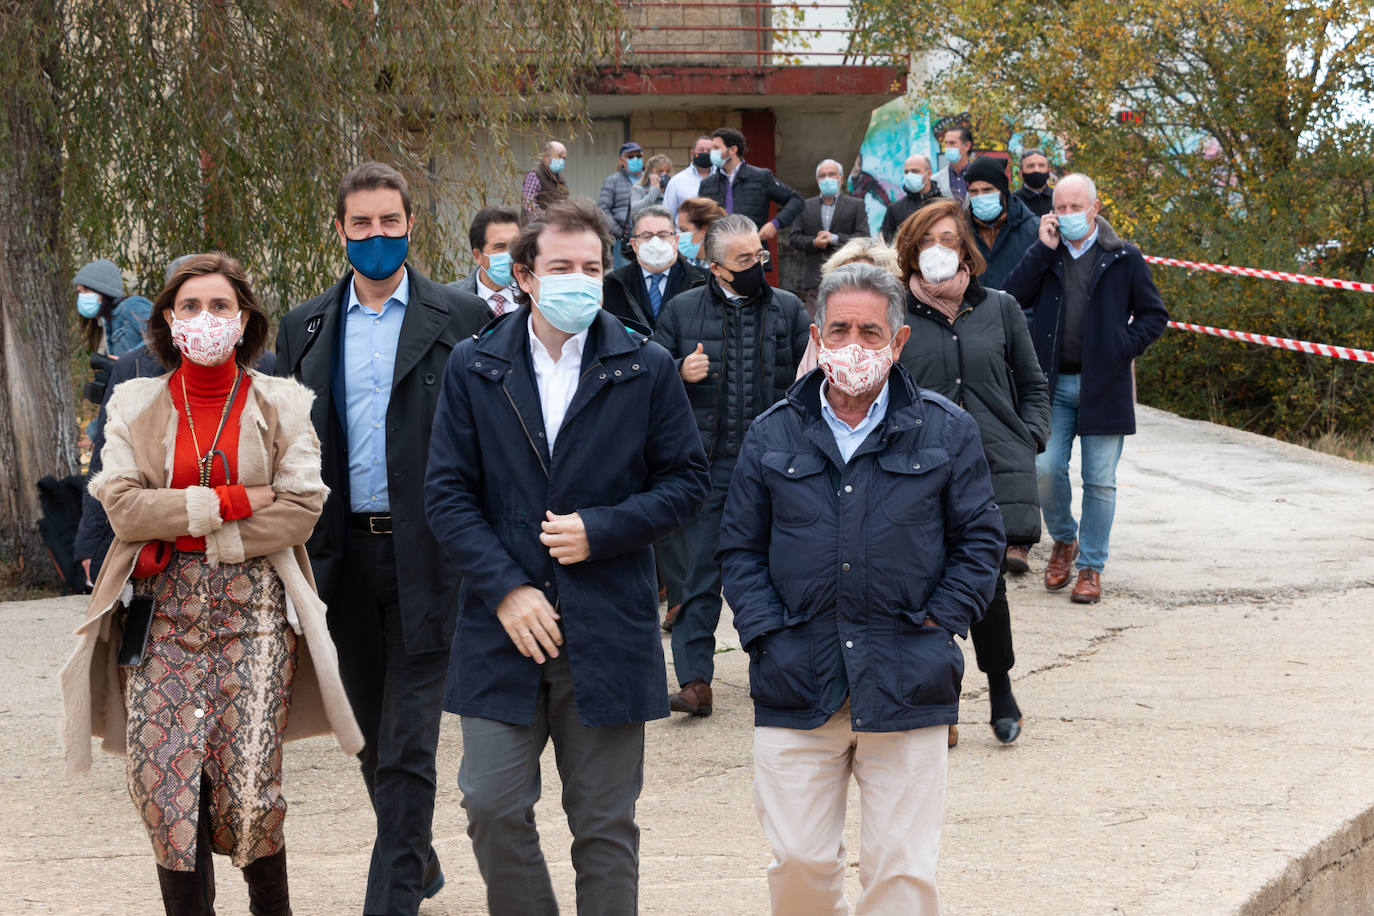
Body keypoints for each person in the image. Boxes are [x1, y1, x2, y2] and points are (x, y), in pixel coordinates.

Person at [424, 198, 710, 915]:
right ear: (524, 275)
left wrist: (603, 529)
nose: (578, 280)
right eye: (561, 267)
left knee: (605, 826)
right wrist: (506, 590)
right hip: (503, 628)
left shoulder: (643, 365)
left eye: (590, 266)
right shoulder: (475, 364)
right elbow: (446, 495)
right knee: (490, 805)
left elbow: (686, 483)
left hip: (608, 625)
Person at [60, 252, 363, 916]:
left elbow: (301, 507)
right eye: (190, 306)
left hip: (253, 619)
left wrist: (190, 526)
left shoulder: (282, 402)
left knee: (249, 791)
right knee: (164, 788)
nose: (205, 318)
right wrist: (229, 501)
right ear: (168, 320)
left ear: (244, 317)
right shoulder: (135, 401)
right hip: (162, 619)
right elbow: (122, 505)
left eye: (220, 306)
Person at [719, 262, 1004, 914]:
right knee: (798, 864)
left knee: (901, 876)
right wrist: (766, 633)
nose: (853, 346)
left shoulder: (947, 430)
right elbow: (739, 548)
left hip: (907, 676)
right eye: (839, 330)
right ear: (816, 337)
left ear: (898, 343)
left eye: (870, 333)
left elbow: (980, 543)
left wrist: (940, 621)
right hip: (797, 680)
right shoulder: (771, 434)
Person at [274, 162, 490, 914]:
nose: (375, 236)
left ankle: (390, 899)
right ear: (339, 230)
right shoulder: (304, 327)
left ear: (409, 227)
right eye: (360, 224)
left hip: (430, 556)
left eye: (388, 222)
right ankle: (419, 857)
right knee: (367, 736)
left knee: (408, 744)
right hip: (340, 561)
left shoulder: (462, 319)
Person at [894, 199, 1050, 745]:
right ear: (912, 249)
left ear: (967, 248)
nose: (941, 250)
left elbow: (1033, 383)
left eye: (951, 240)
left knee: (985, 584)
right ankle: (943, 698)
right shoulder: (894, 313)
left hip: (989, 469)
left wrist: (1030, 435)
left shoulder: (1000, 307)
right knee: (925, 582)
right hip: (915, 469)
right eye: (929, 240)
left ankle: (1002, 689)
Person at [654, 214, 811, 717]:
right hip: (708, 466)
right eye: (744, 261)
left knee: (783, 572)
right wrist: (679, 371)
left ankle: (783, 673)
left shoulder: (787, 309)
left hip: (777, 465)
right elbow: (646, 386)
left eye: (760, 257)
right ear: (716, 267)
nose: (756, 267)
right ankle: (695, 682)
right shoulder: (680, 312)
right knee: (698, 576)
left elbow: (810, 384)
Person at [1003, 173, 1169, 604]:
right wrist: (1042, 248)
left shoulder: (1123, 257)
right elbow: (1012, 295)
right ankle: (1064, 540)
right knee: (1044, 470)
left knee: (1099, 480)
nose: (1068, 215)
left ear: (1095, 209)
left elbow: (1154, 315)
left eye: (1076, 207)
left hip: (1104, 384)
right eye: (1060, 207)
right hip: (1051, 384)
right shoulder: (1047, 254)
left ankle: (1091, 566)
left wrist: (1122, 347)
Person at [697, 128, 804, 255]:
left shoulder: (761, 177)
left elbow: (796, 200)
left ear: (732, 150)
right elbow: (699, 219)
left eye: (716, 148)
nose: (711, 153)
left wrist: (775, 224)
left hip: (752, 252)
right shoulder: (707, 184)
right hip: (718, 254)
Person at [603, 205, 708, 329]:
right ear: (634, 245)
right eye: (647, 236)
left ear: (676, 240)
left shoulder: (704, 282)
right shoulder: (613, 284)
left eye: (663, 235)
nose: (655, 243)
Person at [789, 158, 870, 318]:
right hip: (815, 279)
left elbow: (864, 237)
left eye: (832, 174)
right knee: (815, 326)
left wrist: (834, 238)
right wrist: (814, 242)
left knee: (844, 320)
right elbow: (794, 238)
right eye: (822, 175)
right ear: (817, 180)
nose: (827, 179)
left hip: (847, 274)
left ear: (840, 178)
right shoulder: (805, 206)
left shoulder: (856, 205)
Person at [963, 156, 1040, 290]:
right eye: (974, 191)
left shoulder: (1033, 229)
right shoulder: (961, 231)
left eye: (987, 190)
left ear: (1003, 191)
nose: (980, 196)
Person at [451, 206, 521, 316]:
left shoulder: (537, 296)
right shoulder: (449, 299)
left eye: (515, 245)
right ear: (478, 256)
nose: (510, 254)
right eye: (500, 247)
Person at [598, 141, 645, 268]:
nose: (635, 159)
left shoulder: (649, 180)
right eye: (630, 156)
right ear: (621, 159)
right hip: (624, 240)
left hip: (648, 237)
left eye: (638, 156)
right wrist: (618, 232)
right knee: (625, 277)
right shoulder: (613, 181)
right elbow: (602, 209)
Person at [880, 153, 942, 243]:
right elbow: (886, 243)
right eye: (906, 172)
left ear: (928, 174)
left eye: (915, 171)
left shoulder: (945, 205)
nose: (909, 175)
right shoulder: (894, 209)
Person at [663, 136, 715, 219]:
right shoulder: (677, 181)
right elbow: (667, 214)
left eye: (709, 151)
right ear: (692, 153)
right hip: (685, 231)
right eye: (701, 150)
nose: (705, 153)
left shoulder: (723, 178)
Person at [521, 140, 569, 224]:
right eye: (559, 157)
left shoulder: (561, 180)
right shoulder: (535, 175)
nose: (562, 161)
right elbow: (528, 206)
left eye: (564, 158)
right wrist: (548, 221)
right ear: (546, 156)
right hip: (536, 230)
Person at [675, 196, 727, 271]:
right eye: (678, 229)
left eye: (684, 230)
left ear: (705, 229)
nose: (678, 235)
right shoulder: (683, 264)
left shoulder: (722, 270)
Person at [934, 126, 974, 202]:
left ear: (967, 146)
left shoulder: (979, 175)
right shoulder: (936, 179)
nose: (947, 147)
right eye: (946, 143)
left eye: (952, 143)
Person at [630, 153, 675, 219]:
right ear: (650, 173)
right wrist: (655, 190)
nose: (664, 174)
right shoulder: (638, 189)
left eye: (667, 171)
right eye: (660, 171)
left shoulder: (671, 189)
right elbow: (634, 210)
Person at [1012, 148, 1054, 217]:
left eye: (1041, 165)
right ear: (1021, 173)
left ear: (1049, 171)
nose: (1036, 170)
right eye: (1031, 166)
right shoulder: (1013, 202)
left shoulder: (1058, 198)